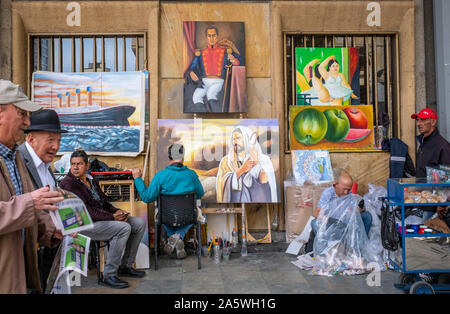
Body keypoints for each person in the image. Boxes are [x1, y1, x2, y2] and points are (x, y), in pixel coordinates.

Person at [0, 79, 65, 294]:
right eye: (21, 113)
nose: (28, 122)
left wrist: (50, 232)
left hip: (18, 272)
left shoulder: (13, 156)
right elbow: (27, 204)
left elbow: (25, 208)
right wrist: (30, 203)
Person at [60, 150, 146, 289]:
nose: (75, 167)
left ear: (87, 166)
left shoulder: (91, 180)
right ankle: (109, 275)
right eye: (73, 164)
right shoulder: (69, 184)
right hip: (82, 225)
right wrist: (112, 217)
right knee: (123, 228)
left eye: (79, 164)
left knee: (139, 224)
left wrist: (116, 211)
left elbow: (104, 203)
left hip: (100, 220)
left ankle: (125, 266)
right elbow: (86, 212)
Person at [17, 109, 68, 291]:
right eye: (51, 140)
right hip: (27, 251)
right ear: (31, 139)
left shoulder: (46, 165)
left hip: (48, 245)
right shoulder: (17, 160)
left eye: (59, 141)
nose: (56, 147)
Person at [132, 144, 204, 259]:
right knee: (195, 214)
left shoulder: (160, 176)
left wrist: (137, 178)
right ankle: (178, 237)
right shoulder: (192, 175)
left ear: (169, 157)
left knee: (165, 217)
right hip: (188, 216)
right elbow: (200, 194)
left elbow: (147, 197)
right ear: (183, 157)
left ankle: (175, 237)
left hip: (166, 217)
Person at [305, 170, 372, 253]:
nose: (346, 192)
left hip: (346, 225)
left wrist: (358, 209)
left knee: (367, 216)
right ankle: (330, 250)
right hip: (333, 226)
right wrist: (326, 218)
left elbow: (355, 211)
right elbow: (317, 213)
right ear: (336, 184)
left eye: (348, 189)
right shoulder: (328, 194)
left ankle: (357, 248)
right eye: (344, 189)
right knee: (314, 223)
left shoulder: (350, 195)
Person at [185, 25, 244, 112]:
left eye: (214, 35)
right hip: (204, 82)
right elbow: (192, 67)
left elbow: (240, 61)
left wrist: (234, 60)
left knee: (211, 94)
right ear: (206, 37)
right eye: (209, 36)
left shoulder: (226, 51)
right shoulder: (201, 53)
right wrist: (191, 72)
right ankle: (205, 116)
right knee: (196, 97)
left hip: (218, 81)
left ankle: (215, 116)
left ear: (217, 36)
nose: (211, 38)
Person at [216, 126, 277, 203]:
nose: (235, 142)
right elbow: (220, 184)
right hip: (233, 205)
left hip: (256, 205)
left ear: (246, 139)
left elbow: (266, 185)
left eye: (238, 138)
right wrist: (241, 171)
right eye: (233, 139)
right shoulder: (225, 161)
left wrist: (257, 165)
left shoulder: (263, 159)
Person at [411, 108, 450, 221]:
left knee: (430, 236)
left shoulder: (441, 146)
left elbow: (447, 179)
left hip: (434, 206)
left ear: (433, 122)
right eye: (418, 120)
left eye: (423, 120)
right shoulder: (424, 142)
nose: (419, 123)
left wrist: (442, 204)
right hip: (422, 201)